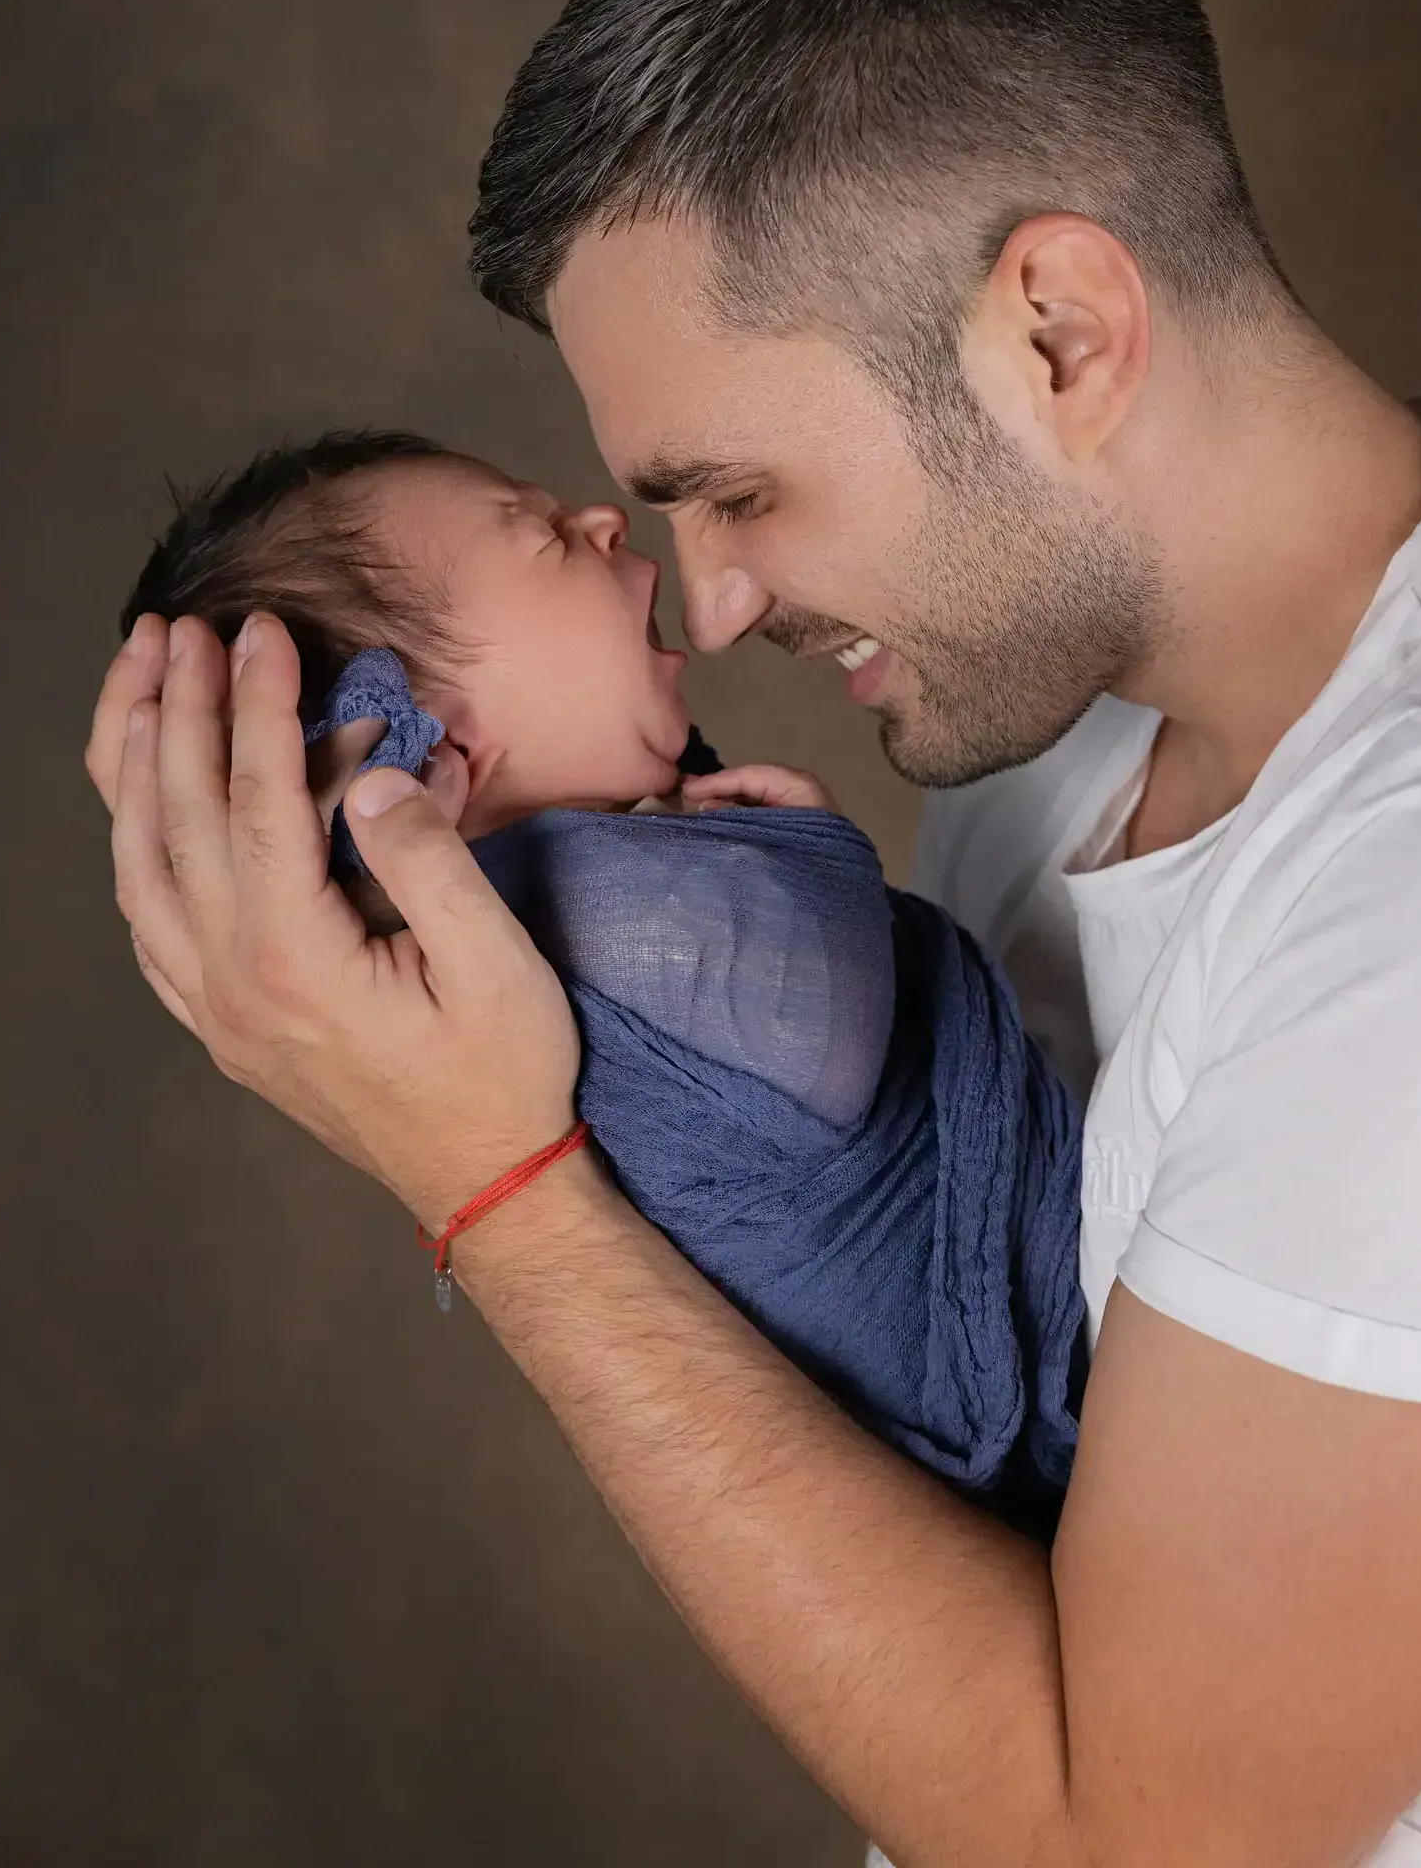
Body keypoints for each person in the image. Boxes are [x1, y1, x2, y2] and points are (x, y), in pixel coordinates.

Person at [89, 0, 1421, 1868]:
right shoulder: (1034, 722)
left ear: (1055, 333)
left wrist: (497, 1190)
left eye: (736, 493)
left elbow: (1116, 1845)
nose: (707, 609)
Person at [119, 429, 1086, 1526]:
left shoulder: (573, 905)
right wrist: (796, 859)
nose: (603, 518)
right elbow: (809, 999)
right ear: (419, 754)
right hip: (1050, 1400)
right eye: (537, 532)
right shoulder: (578, 918)